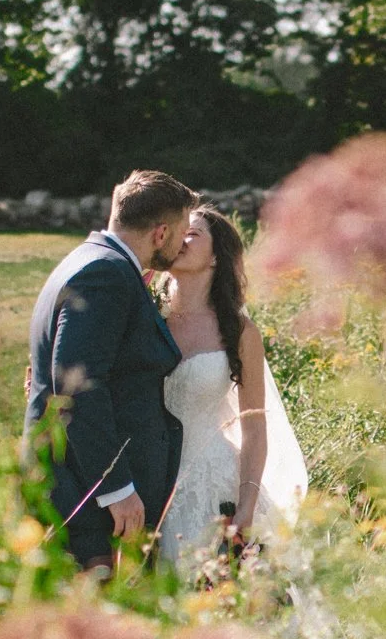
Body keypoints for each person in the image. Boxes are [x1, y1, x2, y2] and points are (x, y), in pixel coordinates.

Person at [25, 170, 197, 571]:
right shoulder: (107, 275)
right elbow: (78, 388)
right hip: (83, 499)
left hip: (78, 489)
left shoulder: (92, 261)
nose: (181, 244)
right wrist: (116, 488)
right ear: (160, 233)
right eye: (181, 233)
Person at [159, 207, 308, 570]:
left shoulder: (239, 332)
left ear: (215, 258)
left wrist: (247, 505)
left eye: (192, 233)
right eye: (178, 231)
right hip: (152, 483)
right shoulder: (148, 318)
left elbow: (254, 427)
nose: (181, 238)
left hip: (216, 486)